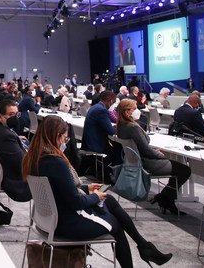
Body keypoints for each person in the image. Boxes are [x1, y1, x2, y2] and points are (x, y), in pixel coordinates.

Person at [22, 115, 172, 268]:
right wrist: (95, 196)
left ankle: (144, 246)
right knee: (116, 224)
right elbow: (76, 202)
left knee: (110, 200)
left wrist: (87, 189)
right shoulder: (56, 162)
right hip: (66, 223)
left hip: (48, 219)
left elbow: (58, 189)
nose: (64, 143)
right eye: (64, 139)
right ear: (56, 136)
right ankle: (142, 251)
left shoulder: (35, 158)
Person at [116, 99, 191, 215]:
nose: (138, 111)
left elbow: (141, 148)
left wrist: (154, 152)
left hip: (137, 162)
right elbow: (146, 151)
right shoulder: (133, 127)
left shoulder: (121, 126)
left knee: (178, 167)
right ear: (127, 112)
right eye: (135, 108)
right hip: (147, 163)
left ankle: (165, 198)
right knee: (184, 170)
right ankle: (165, 198)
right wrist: (160, 155)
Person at [0, 99, 31, 202]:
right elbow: (24, 163)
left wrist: (17, 138)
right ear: (0, 116)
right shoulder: (6, 136)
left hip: (1, 176)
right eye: (11, 114)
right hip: (16, 183)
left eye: (16, 114)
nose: (14, 118)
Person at [80, 91, 117, 175]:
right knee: (118, 151)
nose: (113, 105)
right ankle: (107, 174)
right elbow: (111, 131)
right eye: (113, 102)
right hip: (96, 144)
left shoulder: (95, 107)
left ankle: (98, 169)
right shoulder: (102, 110)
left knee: (116, 149)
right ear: (110, 100)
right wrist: (119, 127)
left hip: (89, 141)